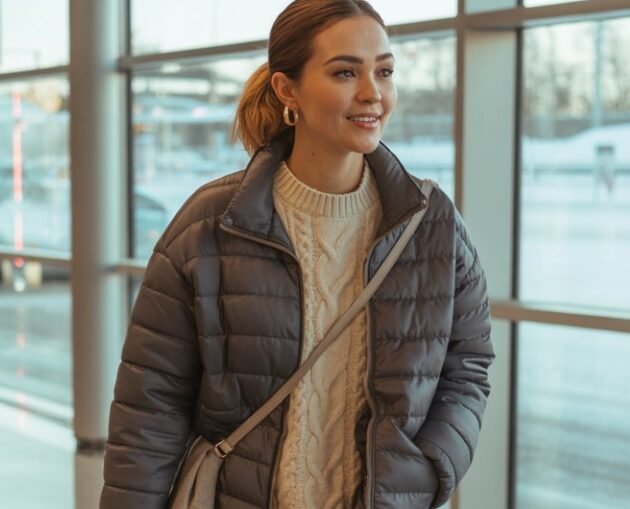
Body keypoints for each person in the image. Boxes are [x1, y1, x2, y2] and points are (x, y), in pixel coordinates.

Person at [100, 1, 494, 508]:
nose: (373, 93)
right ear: (288, 90)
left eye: (385, 71)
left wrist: (429, 468)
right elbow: (149, 405)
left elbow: (468, 365)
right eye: (345, 72)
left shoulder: (430, 222)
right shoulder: (210, 226)